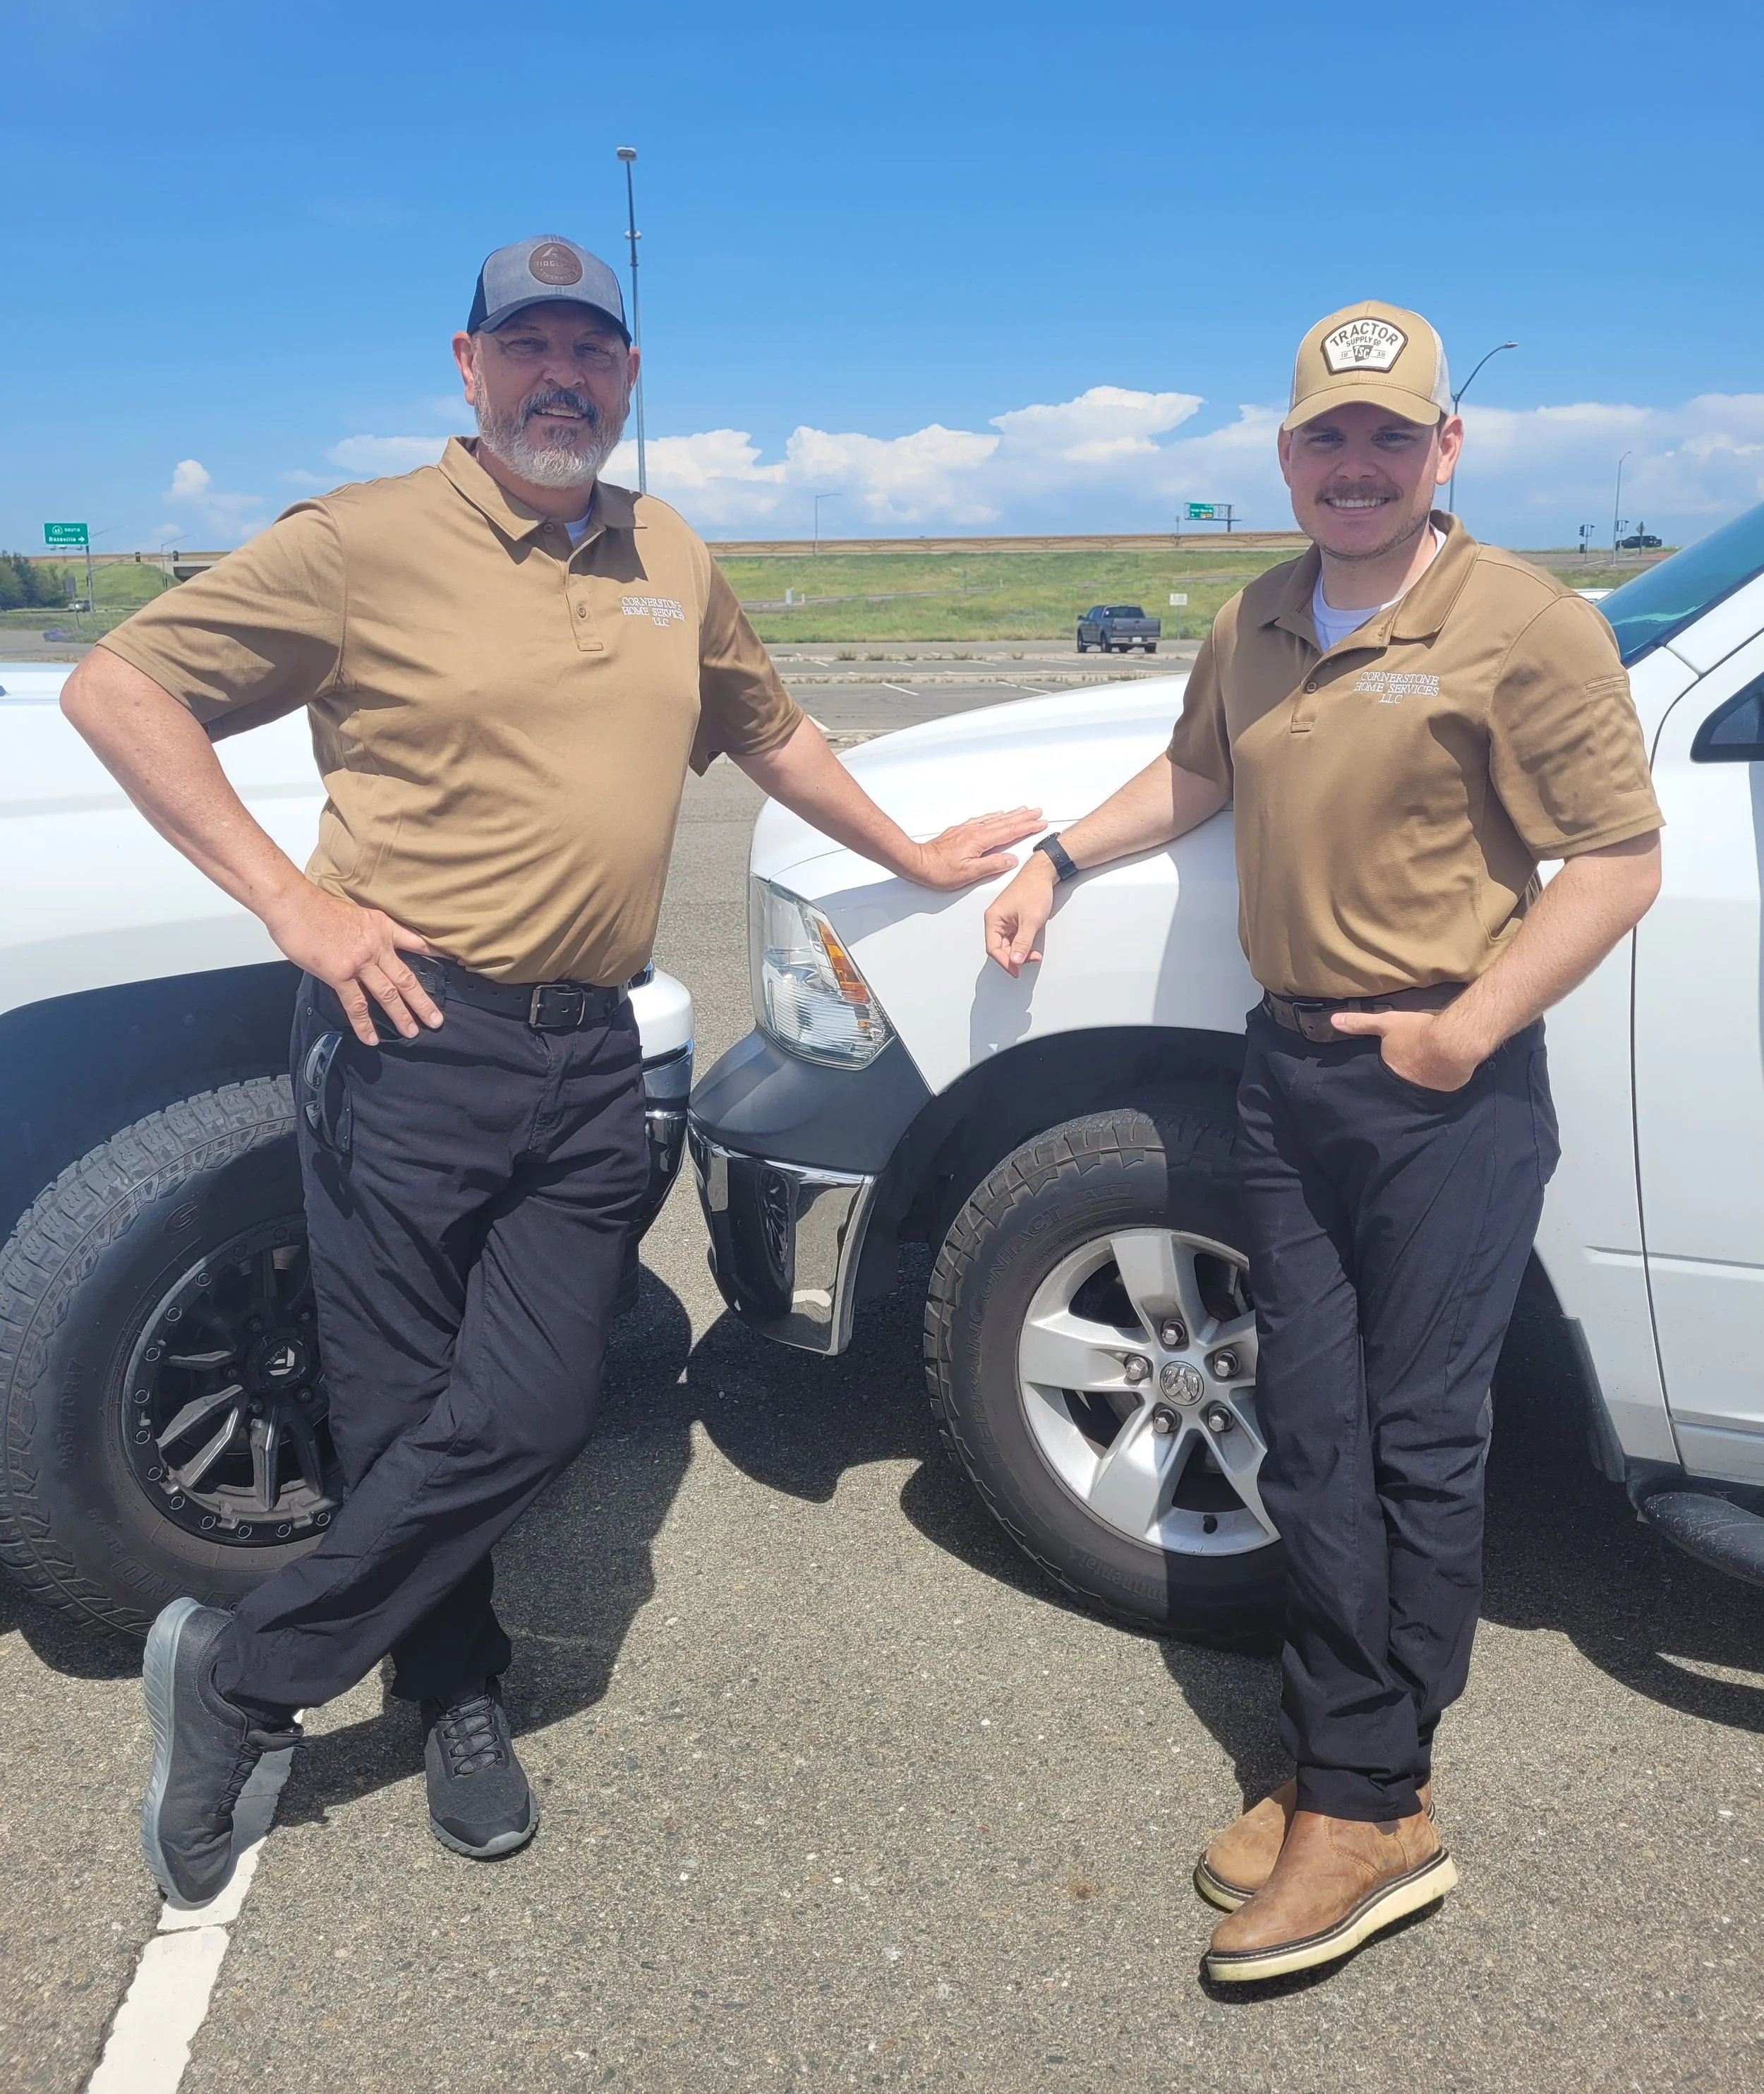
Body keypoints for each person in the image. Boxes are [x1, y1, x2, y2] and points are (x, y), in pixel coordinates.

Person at [66, 235, 1040, 1907]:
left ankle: (238, 1675)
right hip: (403, 1039)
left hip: (593, 1047)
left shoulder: (668, 546)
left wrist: (914, 852)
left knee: (529, 1406)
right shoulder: (361, 540)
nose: (560, 376)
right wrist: (295, 907)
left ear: (631, 378)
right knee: (393, 1417)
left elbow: (766, 727)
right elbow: (120, 686)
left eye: (591, 348)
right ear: (467, 366)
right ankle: (454, 1695)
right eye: (528, 347)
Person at [983, 302, 1662, 1985]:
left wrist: (1466, 1024)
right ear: (1285, 456)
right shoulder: (1260, 612)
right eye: (1321, 437)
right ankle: (1346, 1755)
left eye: (1386, 436)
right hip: (1285, 1074)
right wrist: (1053, 861)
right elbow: (1190, 776)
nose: (1350, 465)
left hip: (1445, 1083)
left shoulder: (1521, 624)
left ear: (1445, 450)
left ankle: (1370, 1804)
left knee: (1418, 1440)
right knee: (1307, 1429)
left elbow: (1615, 859)